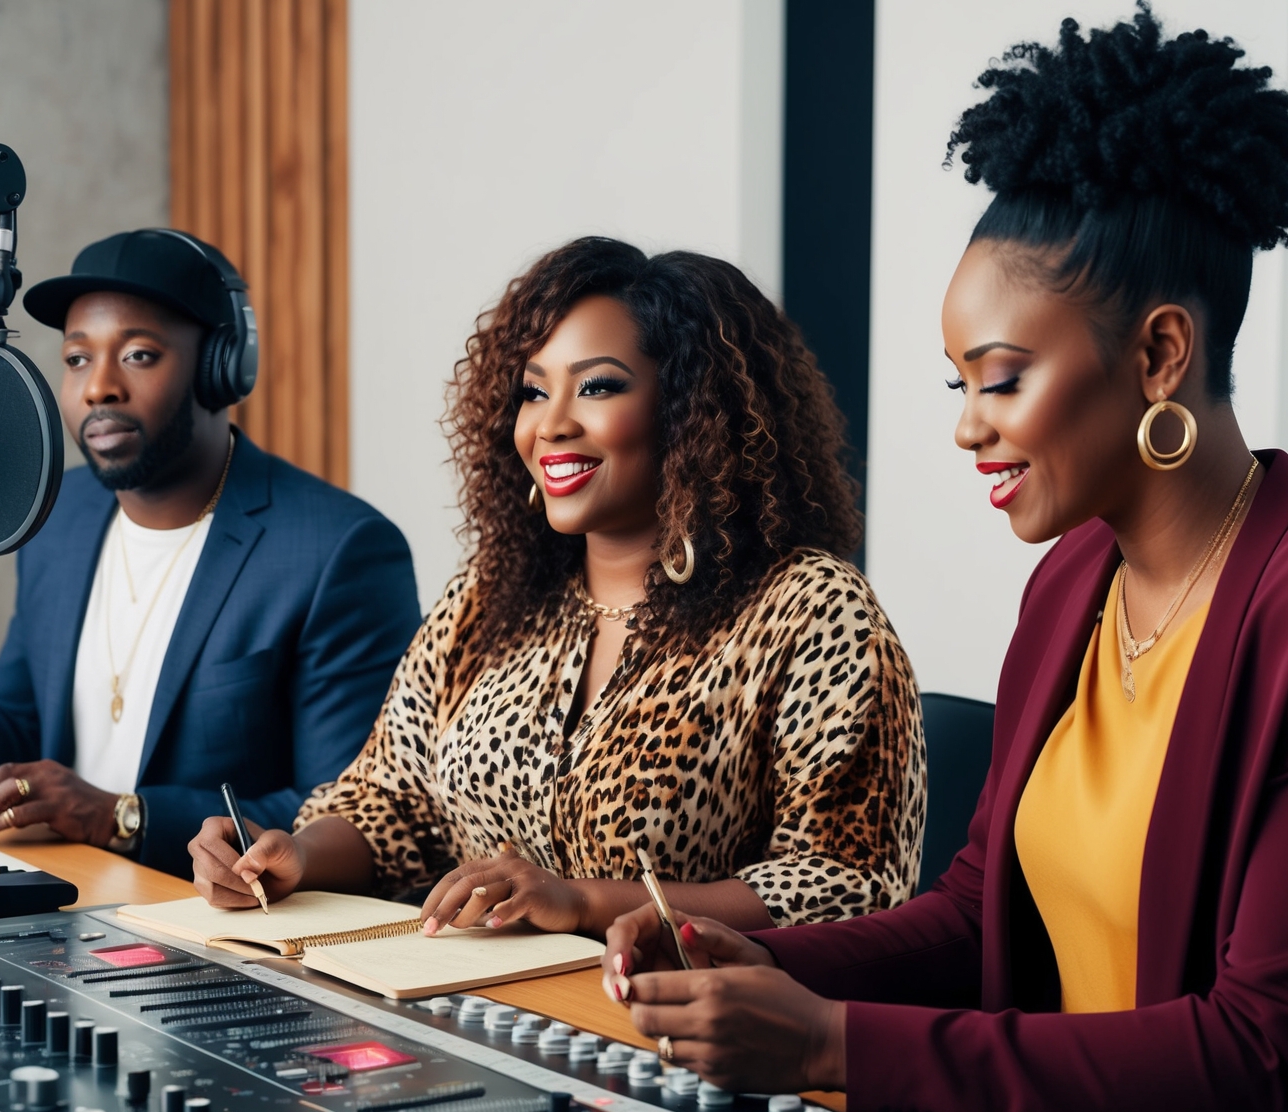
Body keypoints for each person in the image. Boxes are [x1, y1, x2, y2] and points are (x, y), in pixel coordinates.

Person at [601, 5, 1288, 1112]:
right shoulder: (1074, 582)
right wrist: (752, 949)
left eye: (1003, 378)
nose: (969, 426)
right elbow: (982, 914)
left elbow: (1269, 1047)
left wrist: (834, 1045)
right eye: (957, 384)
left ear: (1161, 352)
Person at [188, 238, 926, 934]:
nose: (552, 425)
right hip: (484, 1015)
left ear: (692, 411)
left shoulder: (813, 610)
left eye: (599, 387)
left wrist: (585, 903)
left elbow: (846, 885)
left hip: (686, 1031)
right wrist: (295, 855)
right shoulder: (486, 599)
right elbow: (394, 802)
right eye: (534, 393)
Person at [0, 229, 420, 875]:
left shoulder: (338, 551)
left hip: (209, 924)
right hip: (66, 892)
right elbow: (10, 719)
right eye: (76, 359)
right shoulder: (60, 511)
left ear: (221, 367)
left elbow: (351, 815)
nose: (99, 388)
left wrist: (120, 816)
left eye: (140, 355)